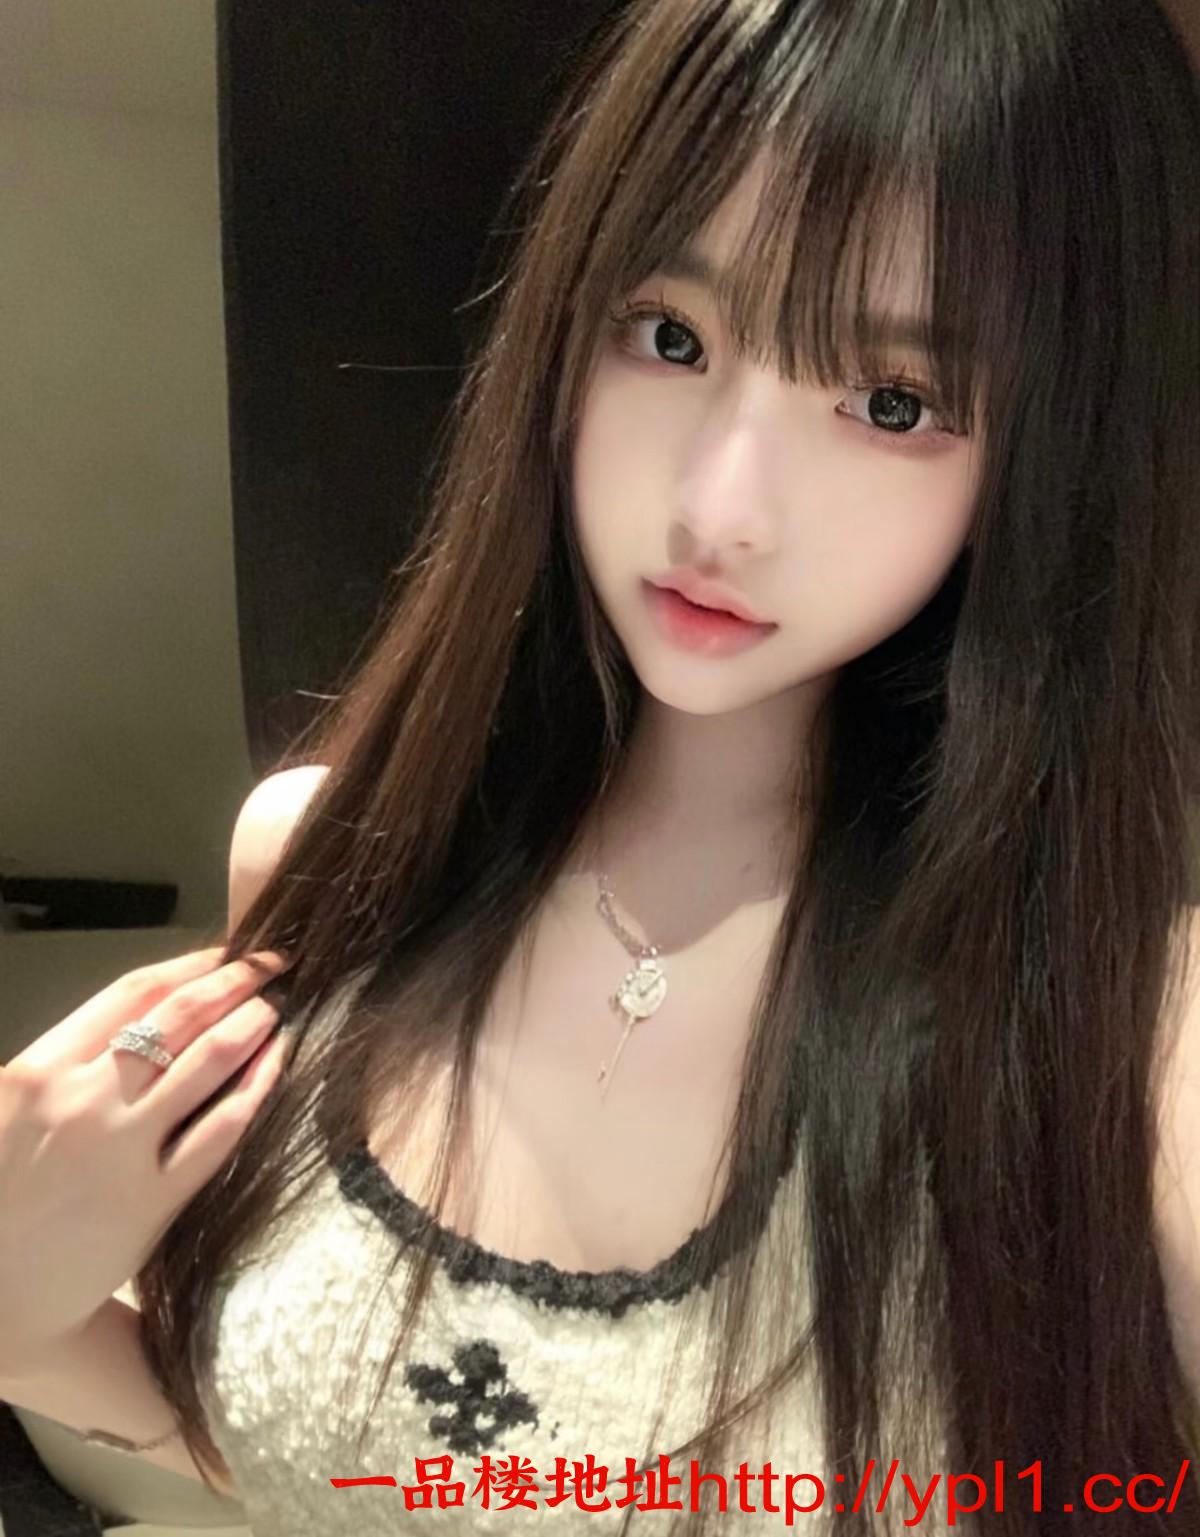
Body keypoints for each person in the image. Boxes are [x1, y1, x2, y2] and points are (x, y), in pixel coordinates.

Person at [3, 0, 1200, 1532]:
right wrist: (20, 1312)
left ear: (1055, 452)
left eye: (890, 402)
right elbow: (353, 1471)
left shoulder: (1124, 1054)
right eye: (671, 335)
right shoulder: (329, 859)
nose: (721, 507)